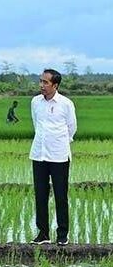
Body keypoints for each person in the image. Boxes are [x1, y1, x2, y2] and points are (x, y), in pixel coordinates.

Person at [30, 69, 77, 246]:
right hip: (39, 154)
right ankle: (43, 234)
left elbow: (71, 128)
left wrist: (59, 142)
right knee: (40, 195)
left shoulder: (66, 104)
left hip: (59, 156)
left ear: (55, 85)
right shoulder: (35, 102)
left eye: (45, 82)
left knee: (60, 196)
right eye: (40, 81)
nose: (41, 85)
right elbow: (37, 125)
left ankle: (62, 234)